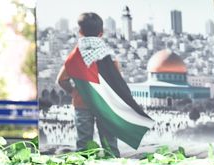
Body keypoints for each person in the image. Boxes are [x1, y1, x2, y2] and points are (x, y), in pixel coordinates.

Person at [56, 13, 154, 157]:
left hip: (82, 105)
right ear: (101, 33)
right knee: (109, 145)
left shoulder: (74, 57)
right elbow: (116, 83)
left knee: (83, 145)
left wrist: (75, 92)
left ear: (80, 32)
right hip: (106, 106)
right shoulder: (109, 57)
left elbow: (61, 80)